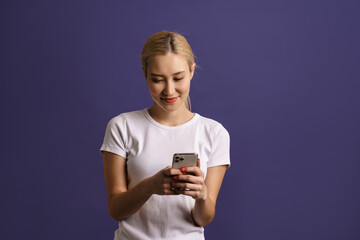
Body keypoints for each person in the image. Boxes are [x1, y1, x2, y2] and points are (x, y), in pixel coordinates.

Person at [100, 31, 230, 240]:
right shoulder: (121, 126)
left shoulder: (214, 133)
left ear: (191, 71)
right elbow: (116, 209)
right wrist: (150, 186)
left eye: (178, 78)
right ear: (145, 75)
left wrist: (202, 196)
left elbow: (203, 218)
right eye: (158, 80)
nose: (169, 90)